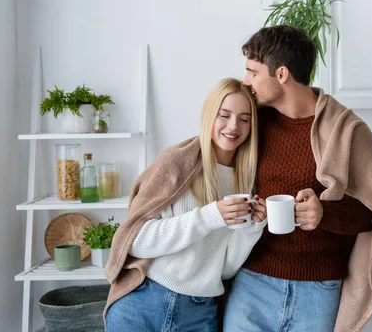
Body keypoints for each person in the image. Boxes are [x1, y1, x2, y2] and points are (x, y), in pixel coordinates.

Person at [223, 25, 372, 332]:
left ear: (282, 74)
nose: (246, 82)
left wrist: (325, 212)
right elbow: (209, 154)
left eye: (252, 72)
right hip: (253, 283)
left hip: (318, 292)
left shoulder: (348, 131)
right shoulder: (252, 122)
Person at [103, 78, 267, 331]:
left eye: (244, 119)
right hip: (142, 303)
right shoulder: (178, 163)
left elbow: (223, 270)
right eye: (224, 115)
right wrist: (210, 216)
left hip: (199, 314)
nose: (233, 126)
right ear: (209, 115)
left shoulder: (246, 183)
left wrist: (253, 229)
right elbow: (135, 241)